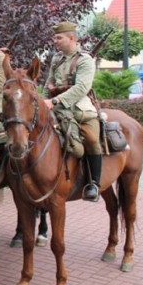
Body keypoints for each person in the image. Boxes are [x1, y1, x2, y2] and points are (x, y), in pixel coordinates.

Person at [43, 21, 101, 202]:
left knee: (92, 139)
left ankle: (93, 183)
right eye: (55, 37)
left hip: (79, 108)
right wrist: (43, 101)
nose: (55, 41)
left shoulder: (85, 59)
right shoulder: (56, 59)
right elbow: (48, 83)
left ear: (71, 38)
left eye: (58, 37)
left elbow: (82, 87)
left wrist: (56, 100)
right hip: (55, 106)